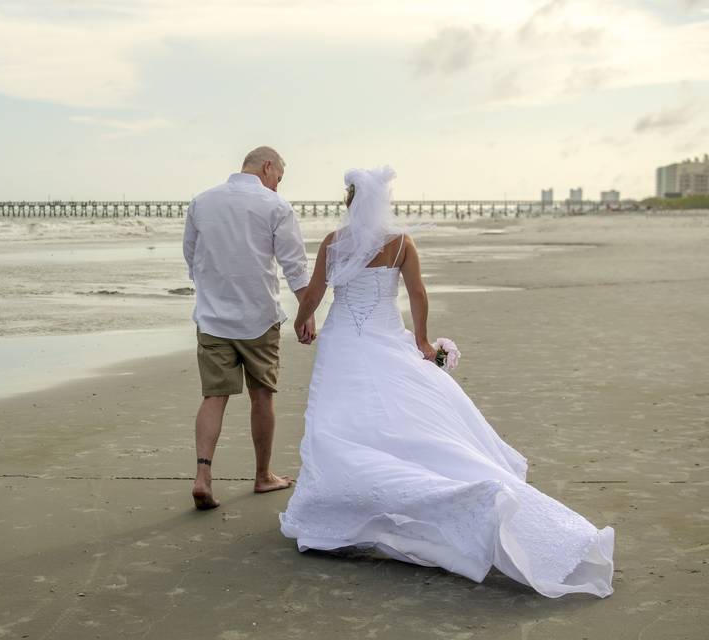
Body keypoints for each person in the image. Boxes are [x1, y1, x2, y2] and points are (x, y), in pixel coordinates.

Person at [277, 165, 615, 598]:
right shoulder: (400, 243)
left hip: (343, 342)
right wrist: (420, 340)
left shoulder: (333, 243)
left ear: (349, 202)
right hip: (382, 337)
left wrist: (303, 322)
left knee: (334, 425)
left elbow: (317, 291)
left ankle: (333, 511)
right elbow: (417, 292)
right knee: (398, 421)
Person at [182, 146, 314, 510]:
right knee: (262, 395)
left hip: (212, 317)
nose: (277, 186)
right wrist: (307, 313)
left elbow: (191, 256)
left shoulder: (202, 201)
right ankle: (262, 476)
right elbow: (295, 266)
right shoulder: (276, 206)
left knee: (214, 396)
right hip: (258, 317)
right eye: (279, 179)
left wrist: (213, 290)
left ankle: (203, 476)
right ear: (268, 167)